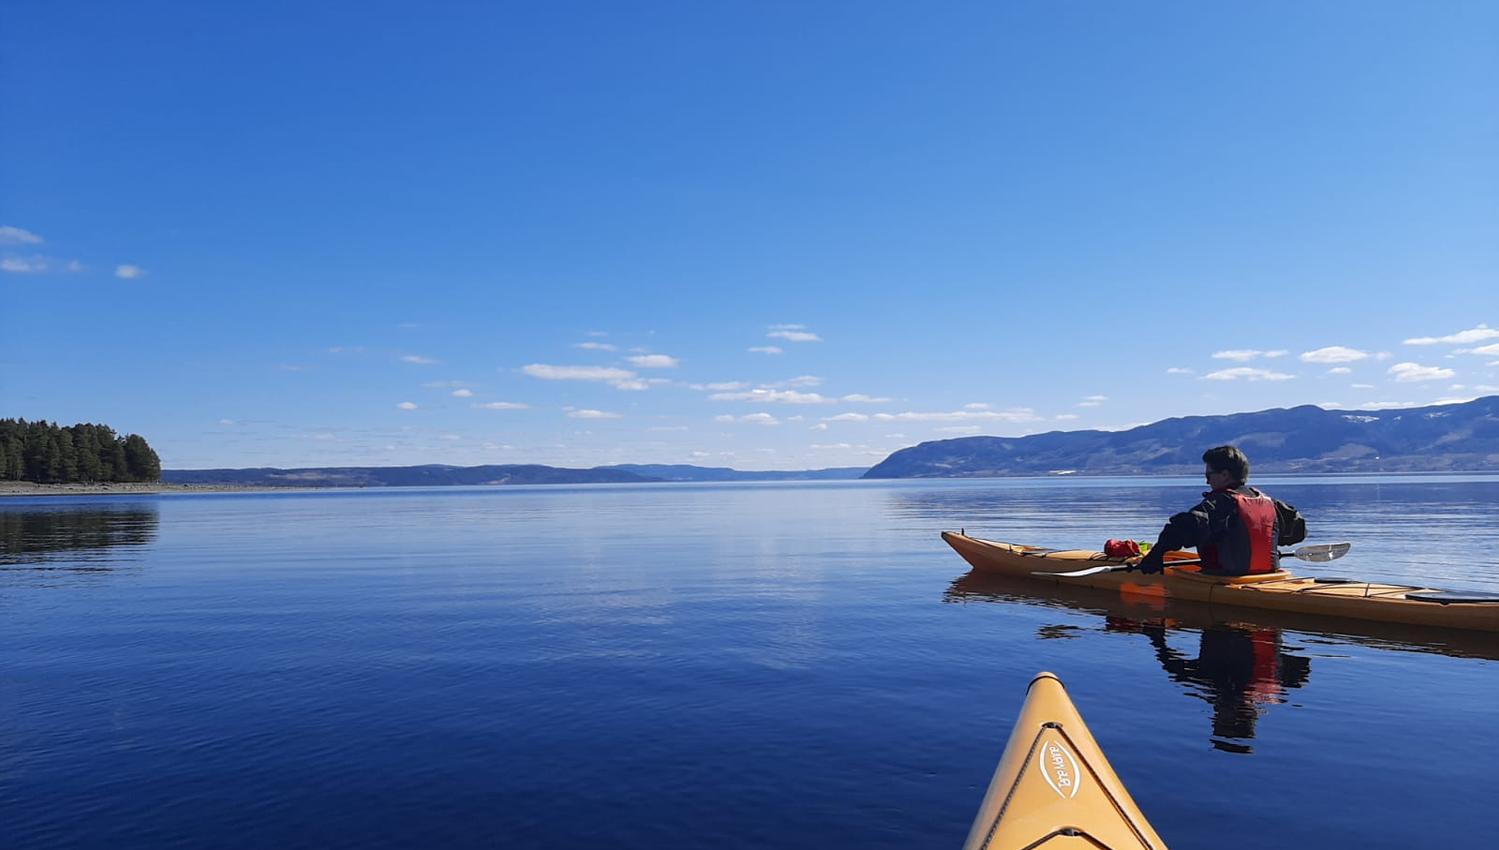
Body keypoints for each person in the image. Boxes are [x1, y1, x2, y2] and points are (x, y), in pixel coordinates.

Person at [1133, 445, 1306, 575]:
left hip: (1223, 579)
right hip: (1269, 577)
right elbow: (1299, 532)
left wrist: (1155, 557)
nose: (1207, 482)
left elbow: (1181, 527)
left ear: (1224, 475)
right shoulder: (1271, 503)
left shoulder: (1219, 504)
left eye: (1208, 475)